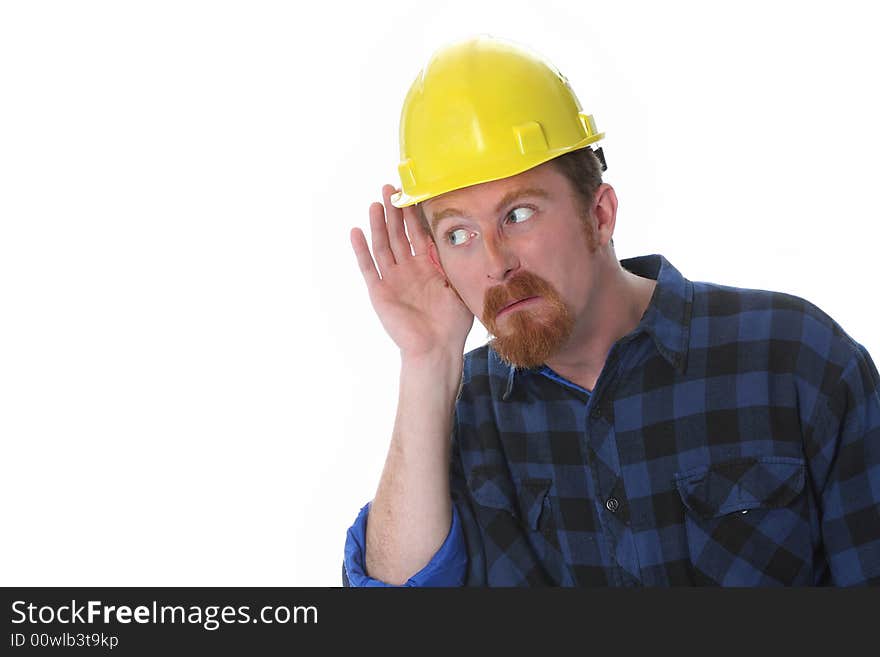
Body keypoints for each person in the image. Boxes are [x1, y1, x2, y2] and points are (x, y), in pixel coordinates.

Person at [342, 34, 880, 586]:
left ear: (599, 215)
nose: (495, 263)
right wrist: (428, 357)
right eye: (459, 233)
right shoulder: (462, 415)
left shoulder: (794, 360)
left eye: (519, 214)